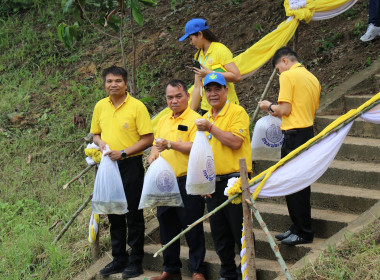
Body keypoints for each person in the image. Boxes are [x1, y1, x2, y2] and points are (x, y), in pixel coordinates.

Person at [90, 66, 154, 278]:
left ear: (126, 84)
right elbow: (95, 135)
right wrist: (100, 144)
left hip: (130, 165)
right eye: (109, 81)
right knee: (113, 212)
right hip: (108, 166)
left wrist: (124, 153)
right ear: (104, 84)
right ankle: (118, 259)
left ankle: (135, 261)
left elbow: (148, 139)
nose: (113, 85)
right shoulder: (100, 106)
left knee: (133, 214)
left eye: (118, 81)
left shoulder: (136, 107)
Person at [259, 47, 321, 246]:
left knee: (293, 185)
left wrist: (268, 106)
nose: (279, 73)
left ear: (284, 61)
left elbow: (285, 109)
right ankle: (297, 226)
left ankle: (303, 231)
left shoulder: (288, 76)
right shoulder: (312, 78)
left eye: (278, 69)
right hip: (307, 133)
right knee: (299, 184)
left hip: (294, 136)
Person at [195, 72, 252, 280]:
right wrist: (203, 184)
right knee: (219, 233)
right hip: (213, 182)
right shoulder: (206, 117)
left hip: (235, 180)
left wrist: (211, 128)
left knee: (240, 230)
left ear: (226, 90)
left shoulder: (237, 112)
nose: (212, 94)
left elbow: (235, 142)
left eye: (217, 89)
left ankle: (246, 271)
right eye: (208, 90)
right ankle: (227, 272)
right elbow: (202, 153)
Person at [148, 80, 206, 280]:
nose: (174, 101)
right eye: (169, 97)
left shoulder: (196, 119)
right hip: (165, 182)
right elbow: (157, 143)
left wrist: (171, 144)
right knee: (166, 224)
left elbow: (197, 146)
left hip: (188, 180)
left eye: (178, 96)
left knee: (192, 226)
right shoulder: (163, 120)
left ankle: (197, 270)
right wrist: (153, 154)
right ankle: (171, 269)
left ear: (188, 96)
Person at [179, 18, 241, 115]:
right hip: (207, 109)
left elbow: (236, 76)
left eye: (191, 39)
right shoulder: (198, 56)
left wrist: (210, 74)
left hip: (227, 107)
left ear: (200, 34)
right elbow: (197, 86)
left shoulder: (220, 50)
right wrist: (190, 114)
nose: (190, 43)